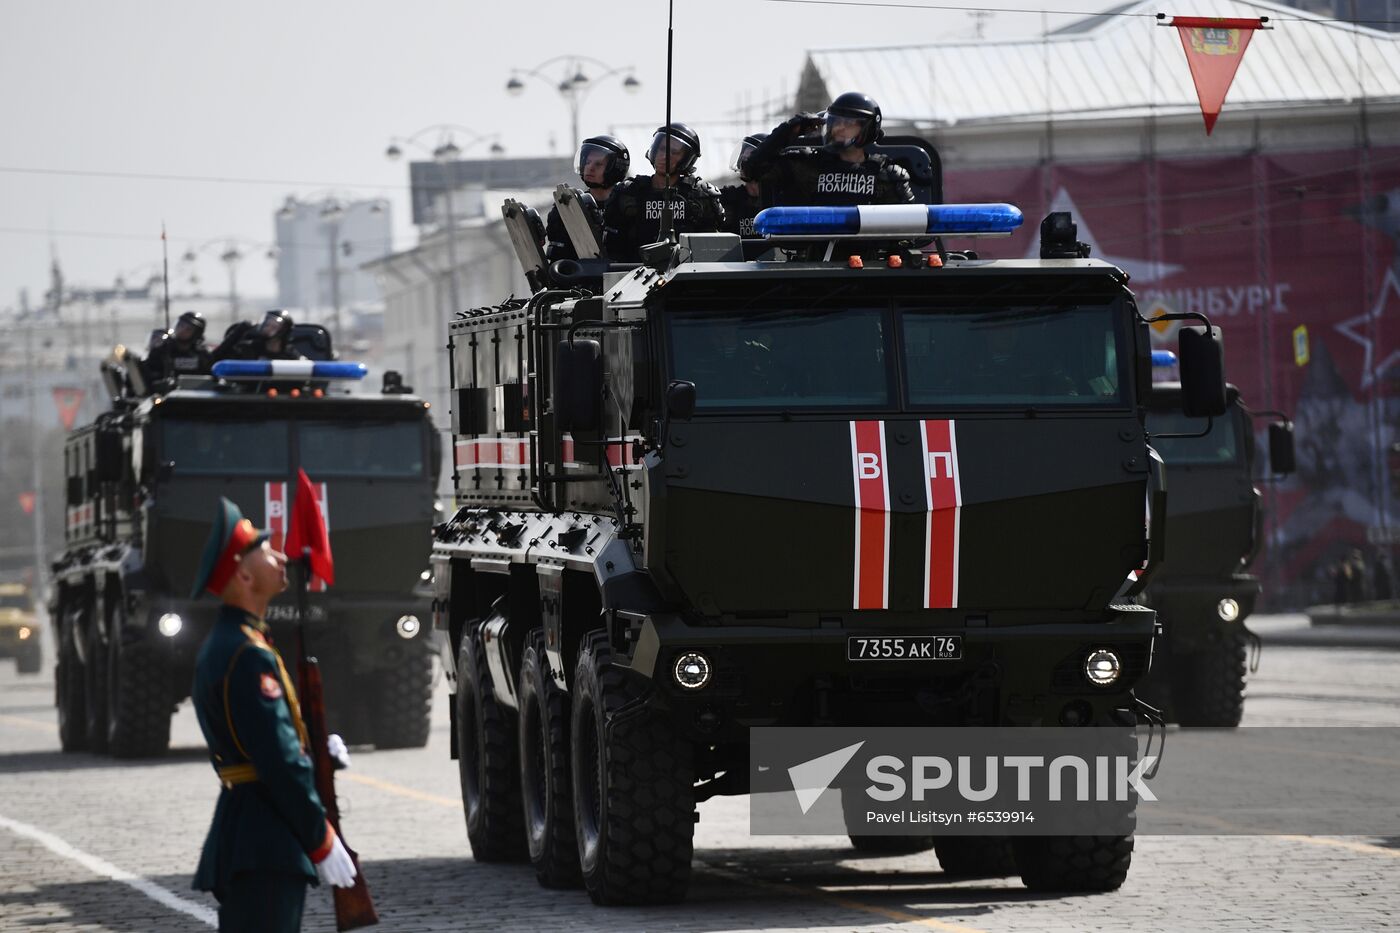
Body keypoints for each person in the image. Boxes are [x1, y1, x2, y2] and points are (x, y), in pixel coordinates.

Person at [189, 497, 356, 931]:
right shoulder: (246, 654)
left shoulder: (236, 643)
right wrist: (320, 838)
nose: (281, 555)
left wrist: (316, 749)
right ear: (243, 574)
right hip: (265, 838)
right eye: (264, 550)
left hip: (251, 829)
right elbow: (277, 761)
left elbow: (266, 740)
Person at [744, 92, 915, 208]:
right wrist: (788, 131)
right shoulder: (806, 165)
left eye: (848, 123)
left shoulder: (886, 175)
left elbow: (908, 230)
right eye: (836, 121)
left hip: (868, 260)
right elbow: (751, 169)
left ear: (868, 129)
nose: (839, 128)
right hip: (813, 260)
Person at [602, 122, 725, 263]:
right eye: (661, 149)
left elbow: (713, 251)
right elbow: (613, 249)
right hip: (634, 275)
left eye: (674, 152)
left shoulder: (701, 196)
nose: (664, 156)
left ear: (687, 159)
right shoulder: (628, 193)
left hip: (688, 277)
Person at [544, 135, 630, 262]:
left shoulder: (628, 207)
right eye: (588, 162)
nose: (590, 168)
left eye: (598, 164)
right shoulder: (572, 206)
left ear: (615, 168)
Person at [719, 134, 767, 239]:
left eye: (750, 159)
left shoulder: (778, 200)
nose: (744, 163)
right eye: (743, 158)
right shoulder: (728, 198)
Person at [213, 310, 305, 363]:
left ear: (284, 331)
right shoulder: (248, 348)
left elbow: (305, 367)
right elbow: (216, 360)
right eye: (266, 324)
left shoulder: (290, 353)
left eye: (273, 326)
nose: (267, 328)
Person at [147, 310, 212, 383]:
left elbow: (208, 377)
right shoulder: (163, 350)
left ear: (196, 333)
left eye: (188, 329)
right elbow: (150, 374)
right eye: (180, 325)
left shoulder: (202, 355)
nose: (181, 330)